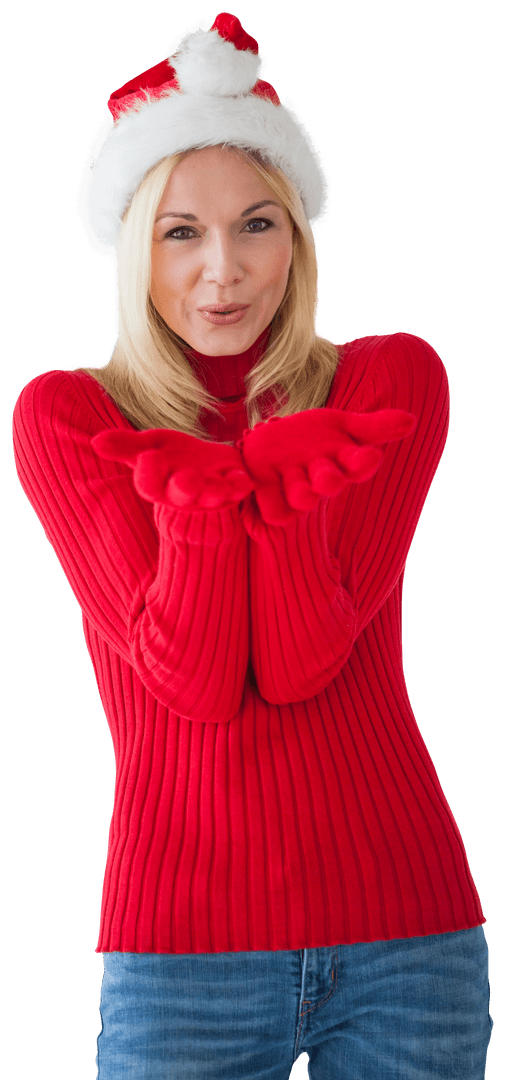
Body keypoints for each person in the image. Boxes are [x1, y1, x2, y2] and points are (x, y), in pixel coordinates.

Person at [12, 11, 494, 1079]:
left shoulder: (384, 384)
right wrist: (195, 507)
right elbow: (193, 683)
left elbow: (297, 659)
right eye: (180, 230)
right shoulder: (71, 418)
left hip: (404, 932)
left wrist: (272, 476)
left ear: (301, 237)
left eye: (257, 224)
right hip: (178, 952)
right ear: (134, 243)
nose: (221, 270)